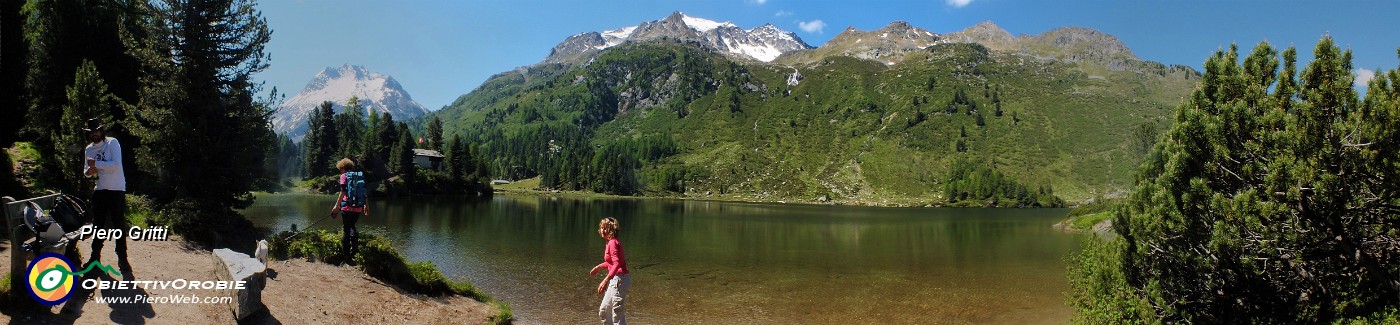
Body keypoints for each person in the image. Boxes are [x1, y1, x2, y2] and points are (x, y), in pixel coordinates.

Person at [82, 118, 127, 267]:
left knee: (118, 225)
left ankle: (122, 258)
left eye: (97, 131)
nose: (94, 134)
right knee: (98, 225)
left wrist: (96, 164)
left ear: (101, 131)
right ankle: (95, 258)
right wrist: (89, 171)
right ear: (89, 135)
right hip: (100, 189)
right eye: (91, 133)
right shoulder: (89, 149)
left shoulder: (112, 143)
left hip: (116, 189)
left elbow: (116, 165)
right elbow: (86, 172)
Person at [589, 217, 630, 325]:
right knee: (604, 311)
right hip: (615, 280)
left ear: (612, 230)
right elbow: (611, 262)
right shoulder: (609, 242)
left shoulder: (613, 243)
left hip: (620, 280)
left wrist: (605, 281)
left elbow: (617, 264)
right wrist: (599, 267)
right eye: (602, 228)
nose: (602, 230)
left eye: (606, 228)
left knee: (617, 313)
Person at [329, 158, 368, 260]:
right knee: (352, 227)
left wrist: (337, 206)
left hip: (346, 207)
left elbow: (342, 192)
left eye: (340, 169)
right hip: (358, 207)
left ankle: (346, 256)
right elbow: (363, 191)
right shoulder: (359, 176)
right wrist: (365, 205)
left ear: (342, 168)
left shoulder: (344, 176)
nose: (340, 171)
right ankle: (355, 251)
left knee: (346, 229)